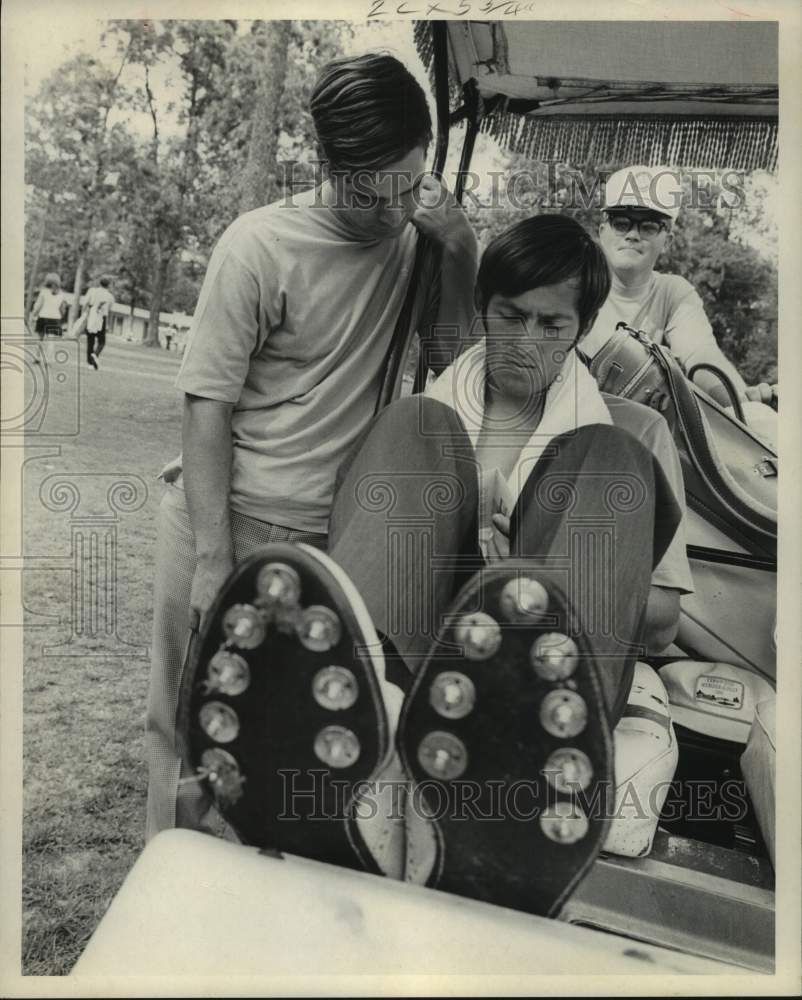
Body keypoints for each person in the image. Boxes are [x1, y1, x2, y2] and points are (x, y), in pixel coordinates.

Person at [183, 215, 691, 916]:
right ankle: (357, 742)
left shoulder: (639, 429)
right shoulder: (424, 419)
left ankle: (522, 762)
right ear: (482, 309)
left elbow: (662, 624)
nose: (527, 342)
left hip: (547, 681)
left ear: (584, 327)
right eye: (511, 317)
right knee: (414, 425)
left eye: (552, 324)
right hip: (418, 657)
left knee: (608, 458)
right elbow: (377, 547)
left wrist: (524, 578)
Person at [146, 52, 478, 840]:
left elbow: (452, 362)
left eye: (407, 184)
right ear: (327, 164)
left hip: (335, 536)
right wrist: (211, 557)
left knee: (288, 737)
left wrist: (461, 248)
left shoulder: (421, 240)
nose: (390, 210)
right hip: (230, 519)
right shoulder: (258, 246)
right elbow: (207, 403)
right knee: (188, 727)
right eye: (368, 192)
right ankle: (166, 902)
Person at [580, 165, 771, 407]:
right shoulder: (573, 283)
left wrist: (741, 403)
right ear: (603, 230)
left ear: (667, 241)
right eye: (621, 223)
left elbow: (701, 354)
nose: (632, 234)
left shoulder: (672, 291)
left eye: (648, 226)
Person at [29, 272, 68, 360]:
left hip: (43, 316)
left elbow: (38, 306)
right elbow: (62, 309)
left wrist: (33, 315)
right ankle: (48, 359)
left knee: (40, 338)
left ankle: (37, 357)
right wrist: (61, 317)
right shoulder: (62, 294)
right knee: (51, 340)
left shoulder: (44, 292)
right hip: (55, 318)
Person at [81, 275, 114, 370]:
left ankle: (90, 363)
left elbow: (85, 303)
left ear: (99, 283)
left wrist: (83, 314)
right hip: (102, 318)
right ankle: (95, 354)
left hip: (91, 315)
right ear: (108, 285)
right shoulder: (110, 296)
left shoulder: (92, 291)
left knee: (90, 341)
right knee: (102, 341)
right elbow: (110, 309)